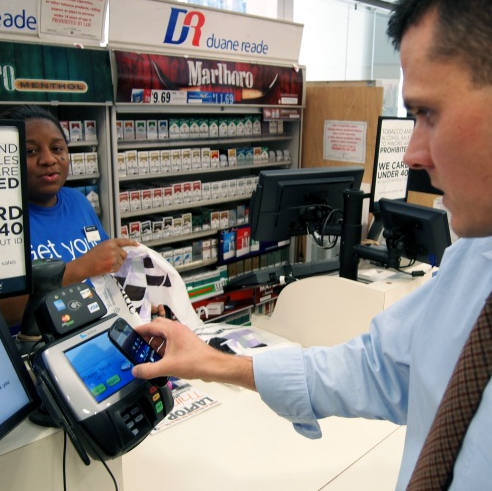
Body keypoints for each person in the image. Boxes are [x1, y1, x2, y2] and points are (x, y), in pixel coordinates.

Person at [130, 1, 492, 489]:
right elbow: (379, 368)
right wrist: (213, 362)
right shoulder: (473, 259)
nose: (412, 154)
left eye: (428, 113)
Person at [0, 105, 138, 331]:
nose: (48, 159)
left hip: (92, 336)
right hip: (34, 348)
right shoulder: (6, 218)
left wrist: (138, 302)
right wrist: (82, 268)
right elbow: (5, 312)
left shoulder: (78, 201)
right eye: (30, 151)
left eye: (57, 148)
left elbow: (106, 274)